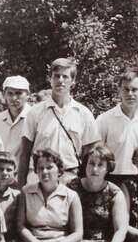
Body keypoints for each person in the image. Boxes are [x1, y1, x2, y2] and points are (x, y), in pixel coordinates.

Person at [19, 58, 100, 187]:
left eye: (65, 76)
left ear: (73, 81)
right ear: (50, 79)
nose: (60, 80)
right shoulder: (35, 112)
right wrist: (21, 189)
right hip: (39, 177)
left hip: (70, 178)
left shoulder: (83, 114)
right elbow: (24, 154)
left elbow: (90, 155)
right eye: (56, 76)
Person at [96, 70, 138, 185]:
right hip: (110, 181)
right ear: (119, 91)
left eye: (134, 89)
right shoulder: (104, 120)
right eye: (126, 89)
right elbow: (96, 155)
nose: (130, 94)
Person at [0, 76, 31, 175]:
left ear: (27, 95)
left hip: (27, 174)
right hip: (1, 175)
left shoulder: (35, 117)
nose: (14, 98)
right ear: (4, 95)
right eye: (10, 93)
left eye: (18, 93)